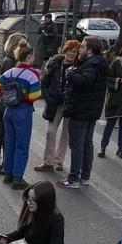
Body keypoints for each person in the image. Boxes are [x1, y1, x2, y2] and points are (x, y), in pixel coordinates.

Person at [57, 36, 108, 189]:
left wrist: (71, 73)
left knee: (77, 145)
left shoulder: (92, 64)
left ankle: (73, 179)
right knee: (87, 144)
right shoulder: (98, 63)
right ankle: (85, 176)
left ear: (90, 50)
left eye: (83, 47)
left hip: (81, 110)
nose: (80, 50)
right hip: (91, 110)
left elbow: (85, 81)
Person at [0, 43, 42, 190]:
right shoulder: (33, 74)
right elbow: (35, 95)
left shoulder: (11, 71)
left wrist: (6, 96)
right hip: (23, 111)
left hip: (9, 110)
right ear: (28, 56)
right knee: (22, 145)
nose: (34, 58)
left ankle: (8, 174)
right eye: (33, 55)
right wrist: (24, 97)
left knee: (10, 142)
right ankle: (18, 178)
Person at [34, 40, 77, 173]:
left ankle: (58, 161)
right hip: (56, 103)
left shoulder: (79, 66)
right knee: (51, 132)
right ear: (64, 51)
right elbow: (44, 83)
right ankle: (48, 162)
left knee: (66, 133)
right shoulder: (54, 65)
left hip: (70, 104)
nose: (72, 54)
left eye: (75, 51)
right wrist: (49, 96)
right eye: (70, 50)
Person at [0, 35, 28, 173]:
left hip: (7, 102)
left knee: (5, 134)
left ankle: (2, 164)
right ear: (15, 46)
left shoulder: (11, 60)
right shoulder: (9, 62)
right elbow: (7, 85)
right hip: (7, 103)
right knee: (2, 134)